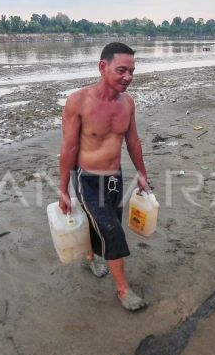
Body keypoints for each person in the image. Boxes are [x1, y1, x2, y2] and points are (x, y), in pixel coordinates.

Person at [58, 42, 150, 311]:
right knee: (112, 230)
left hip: (114, 178)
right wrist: (63, 188)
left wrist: (142, 174)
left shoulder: (128, 104)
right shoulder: (79, 101)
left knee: (102, 223)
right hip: (87, 178)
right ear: (102, 67)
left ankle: (90, 256)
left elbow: (133, 142)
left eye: (132, 71)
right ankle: (123, 290)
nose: (128, 77)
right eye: (122, 70)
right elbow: (69, 147)